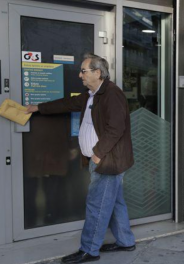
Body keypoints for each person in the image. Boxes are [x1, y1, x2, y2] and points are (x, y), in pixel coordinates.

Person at [26, 53, 136, 263]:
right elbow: (67, 104)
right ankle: (125, 241)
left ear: (97, 72)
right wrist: (38, 108)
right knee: (114, 203)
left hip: (107, 162)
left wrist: (97, 154)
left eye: (84, 71)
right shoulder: (91, 94)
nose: (80, 75)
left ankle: (89, 250)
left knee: (97, 205)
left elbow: (116, 128)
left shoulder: (112, 94)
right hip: (102, 160)